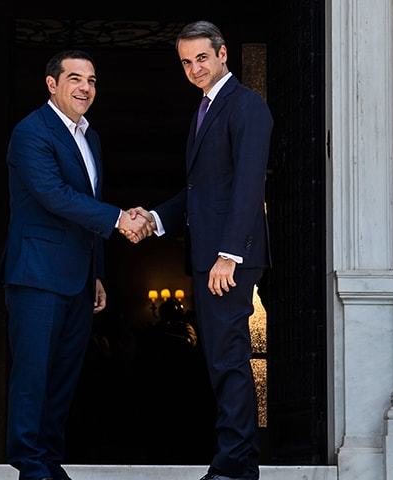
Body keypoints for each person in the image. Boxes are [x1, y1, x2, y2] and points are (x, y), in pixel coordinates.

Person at [130, 20, 273, 480]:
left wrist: (229, 255)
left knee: (229, 357)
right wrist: (154, 219)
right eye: (186, 62)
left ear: (223, 54)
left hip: (227, 261)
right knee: (220, 358)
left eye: (201, 58)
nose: (194, 68)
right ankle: (234, 458)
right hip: (210, 257)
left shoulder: (246, 106)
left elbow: (249, 185)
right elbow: (201, 191)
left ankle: (236, 465)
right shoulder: (206, 109)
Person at [2, 49, 154, 480]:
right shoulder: (31, 132)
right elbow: (53, 195)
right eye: (75, 79)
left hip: (78, 277)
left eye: (91, 80)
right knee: (33, 375)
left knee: (63, 378)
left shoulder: (90, 138)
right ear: (52, 84)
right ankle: (31, 466)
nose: (85, 87)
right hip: (36, 275)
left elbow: (83, 206)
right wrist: (119, 218)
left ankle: (48, 462)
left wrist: (98, 272)